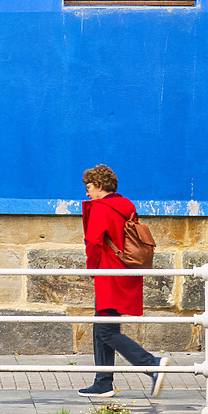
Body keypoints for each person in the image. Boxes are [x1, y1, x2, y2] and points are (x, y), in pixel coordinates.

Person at [77, 164, 169, 398]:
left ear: (99, 185)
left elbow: (95, 242)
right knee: (102, 327)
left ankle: (151, 364)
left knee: (106, 330)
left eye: (88, 187)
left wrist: (92, 270)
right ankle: (103, 382)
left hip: (108, 274)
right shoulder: (125, 206)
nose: (87, 193)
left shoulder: (100, 208)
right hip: (125, 271)